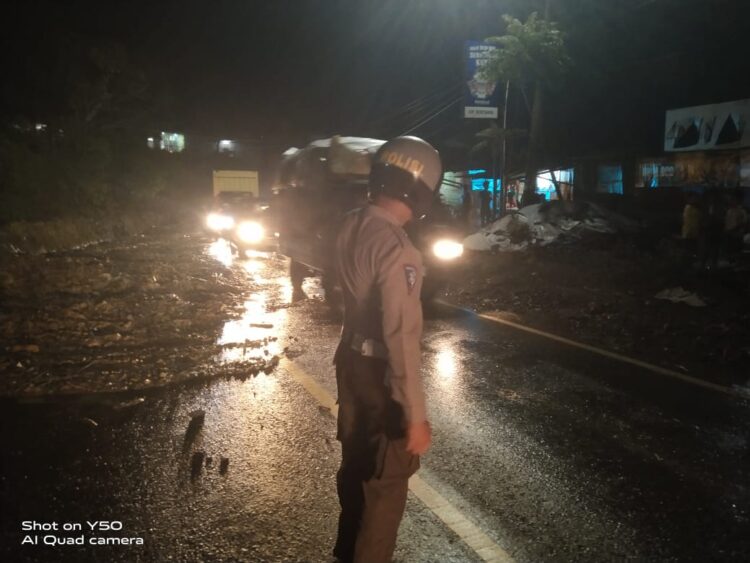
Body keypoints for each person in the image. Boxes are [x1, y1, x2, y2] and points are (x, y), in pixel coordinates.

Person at [332, 136, 441, 563]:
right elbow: (400, 338)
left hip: (350, 366)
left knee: (355, 468)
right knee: (385, 486)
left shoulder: (350, 224)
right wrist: (415, 417)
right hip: (379, 378)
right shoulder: (398, 250)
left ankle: (345, 554)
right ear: (420, 189)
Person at [724, 189, 747, 263]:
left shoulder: (741, 211)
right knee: (730, 251)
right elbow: (727, 222)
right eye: (731, 200)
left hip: (737, 234)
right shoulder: (729, 210)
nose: (732, 201)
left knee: (736, 251)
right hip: (729, 234)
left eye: (734, 200)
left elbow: (743, 223)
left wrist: (737, 229)